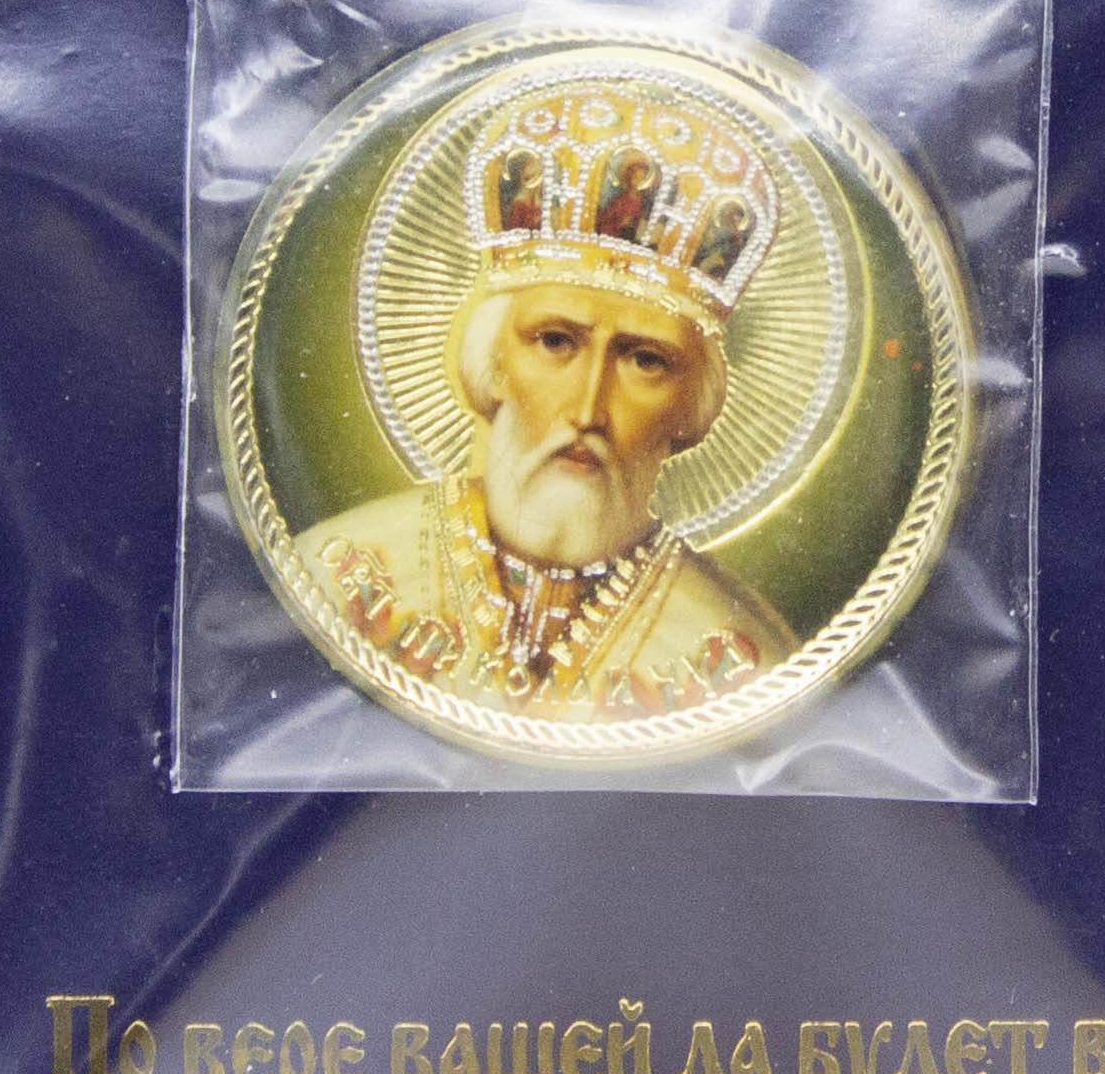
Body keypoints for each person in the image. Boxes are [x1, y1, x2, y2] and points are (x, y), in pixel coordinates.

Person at [298, 80, 796, 714]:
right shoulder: (334, 574)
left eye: (645, 361)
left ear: (689, 407)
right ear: (493, 362)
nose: (587, 411)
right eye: (556, 342)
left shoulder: (743, 656)